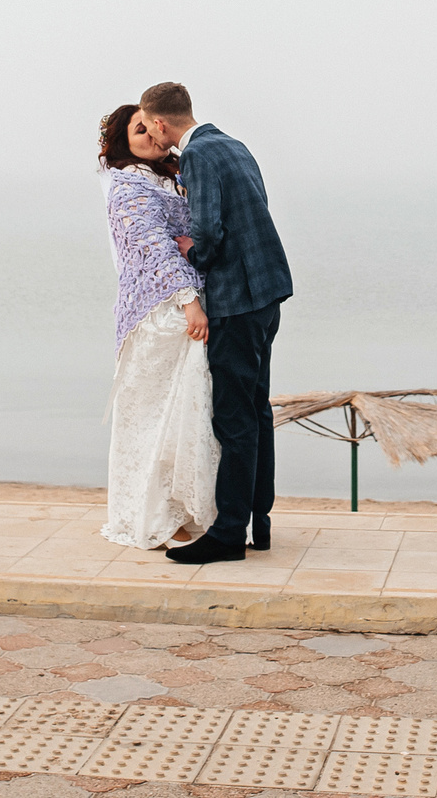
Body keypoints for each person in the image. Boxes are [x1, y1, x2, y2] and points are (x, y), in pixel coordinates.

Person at [138, 81, 292, 564]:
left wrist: (192, 252)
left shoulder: (198, 155)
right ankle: (259, 523)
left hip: (237, 300)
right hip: (266, 292)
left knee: (233, 418)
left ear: (160, 123)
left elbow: (208, 229)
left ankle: (228, 535)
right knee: (257, 410)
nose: (150, 136)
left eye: (148, 127)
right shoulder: (233, 144)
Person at [95, 103, 217, 549]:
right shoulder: (128, 184)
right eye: (137, 130)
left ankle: (187, 510)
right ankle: (156, 517)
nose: (148, 134)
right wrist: (189, 302)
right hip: (158, 314)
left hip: (185, 306)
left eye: (150, 126)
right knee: (154, 417)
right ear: (122, 142)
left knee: (187, 412)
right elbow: (152, 246)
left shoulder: (173, 176)